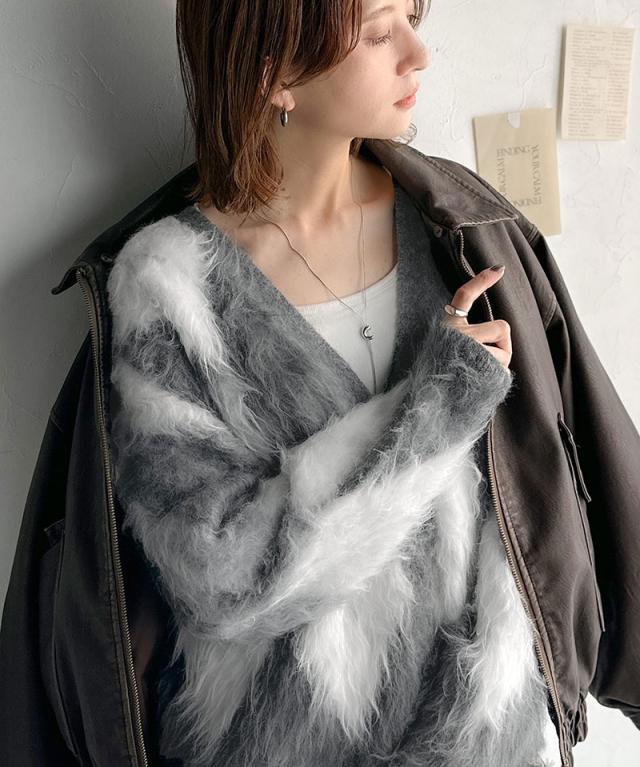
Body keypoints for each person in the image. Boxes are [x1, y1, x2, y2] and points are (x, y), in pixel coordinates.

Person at [2, 2, 639, 766]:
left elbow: (597, 477)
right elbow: (222, 572)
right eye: (378, 32)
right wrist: (437, 405)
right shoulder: (170, 290)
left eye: (413, 15)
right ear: (274, 72)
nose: (419, 53)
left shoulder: (467, 230)